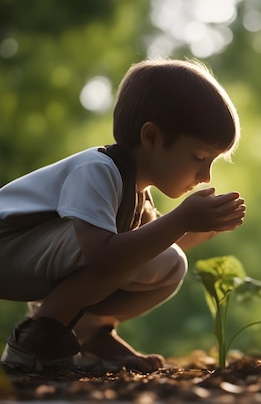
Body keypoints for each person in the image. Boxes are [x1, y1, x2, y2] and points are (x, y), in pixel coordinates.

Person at [0, 59, 246, 373]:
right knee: (114, 246)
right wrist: (181, 220)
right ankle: (36, 338)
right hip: (7, 248)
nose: (206, 175)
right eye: (199, 157)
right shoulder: (98, 171)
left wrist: (197, 230)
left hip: (30, 258)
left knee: (170, 263)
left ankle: (89, 335)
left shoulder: (135, 190)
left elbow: (143, 257)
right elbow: (105, 260)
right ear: (152, 138)